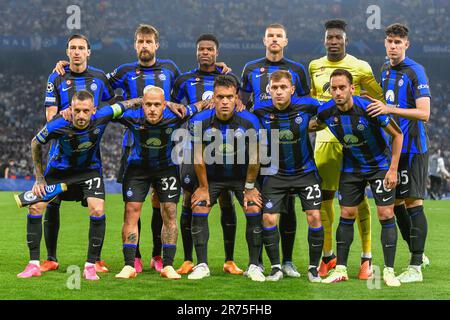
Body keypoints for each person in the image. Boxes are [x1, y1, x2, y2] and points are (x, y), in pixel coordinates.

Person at [17, 91, 141, 280]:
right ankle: (33, 264)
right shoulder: (58, 124)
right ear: (70, 110)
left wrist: (148, 100)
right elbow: (35, 142)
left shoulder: (104, 114)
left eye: (85, 111)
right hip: (59, 172)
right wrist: (39, 177)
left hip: (88, 171)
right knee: (35, 208)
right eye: (77, 111)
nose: (81, 116)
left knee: (98, 210)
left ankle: (90, 266)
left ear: (93, 110)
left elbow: (127, 104)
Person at [312, 69, 403, 287]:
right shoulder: (326, 111)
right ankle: (341, 268)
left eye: (342, 87)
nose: (337, 92)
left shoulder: (369, 109)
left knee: (385, 212)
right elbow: (314, 124)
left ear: (352, 88)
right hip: (352, 168)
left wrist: (392, 169)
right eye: (333, 88)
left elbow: (397, 134)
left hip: (378, 166)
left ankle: (389, 271)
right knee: (346, 212)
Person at [309, 19, 384, 279]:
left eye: (337, 37)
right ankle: (328, 257)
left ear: (345, 40)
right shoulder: (315, 66)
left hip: (355, 142)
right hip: (325, 142)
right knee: (326, 200)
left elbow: (380, 97)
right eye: (329, 37)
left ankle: (366, 259)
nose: (333, 41)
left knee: (359, 200)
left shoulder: (361, 67)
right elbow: (314, 101)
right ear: (325, 39)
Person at [240, 23, 310, 277]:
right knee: (255, 205)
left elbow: (303, 104)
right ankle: (255, 262)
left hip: (288, 148)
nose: (274, 39)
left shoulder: (297, 70)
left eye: (279, 36)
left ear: (286, 40)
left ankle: (288, 261)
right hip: (259, 147)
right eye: (270, 36)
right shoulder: (250, 68)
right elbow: (241, 102)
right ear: (264, 40)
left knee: (288, 206)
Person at [42, 34, 115, 273]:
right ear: (67, 52)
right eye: (72, 48)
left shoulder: (99, 77)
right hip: (61, 155)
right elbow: (49, 117)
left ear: (88, 52)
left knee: (97, 206)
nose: (76, 52)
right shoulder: (57, 76)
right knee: (52, 204)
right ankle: (51, 258)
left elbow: (112, 105)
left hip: (89, 156)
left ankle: (96, 259)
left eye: (81, 48)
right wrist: (62, 115)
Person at [114, 86, 204, 279]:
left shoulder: (176, 115)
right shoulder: (132, 116)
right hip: (138, 168)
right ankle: (129, 265)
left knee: (170, 212)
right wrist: (136, 101)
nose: (152, 109)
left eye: (157, 104)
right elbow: (108, 109)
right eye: (148, 104)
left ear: (164, 105)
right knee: (131, 211)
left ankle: (168, 265)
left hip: (166, 168)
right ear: (142, 104)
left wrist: (209, 101)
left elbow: (199, 105)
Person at [173, 34, 244, 276]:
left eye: (210, 49)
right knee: (188, 198)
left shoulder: (229, 78)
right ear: (196, 52)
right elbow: (175, 110)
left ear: (217, 52)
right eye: (201, 49)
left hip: (226, 147)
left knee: (226, 198)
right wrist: (195, 108)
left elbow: (242, 107)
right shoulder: (184, 80)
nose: (205, 52)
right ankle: (187, 259)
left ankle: (229, 260)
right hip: (195, 146)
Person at [367, 23, 432, 282]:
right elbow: (383, 104)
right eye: (390, 42)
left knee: (414, 202)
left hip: (414, 148)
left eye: (398, 42)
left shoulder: (416, 71)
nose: (393, 46)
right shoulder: (384, 69)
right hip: (392, 148)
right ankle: (419, 254)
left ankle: (416, 266)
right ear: (385, 43)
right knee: (393, 205)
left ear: (407, 44)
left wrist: (389, 109)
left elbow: (424, 113)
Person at [186, 75, 265, 281]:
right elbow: (198, 158)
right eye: (220, 97)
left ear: (236, 97)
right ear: (214, 98)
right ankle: (202, 264)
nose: (224, 102)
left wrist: (249, 187)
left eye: (229, 97)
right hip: (211, 177)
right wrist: (203, 187)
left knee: (254, 207)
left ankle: (255, 266)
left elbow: (256, 159)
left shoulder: (250, 120)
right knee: (199, 205)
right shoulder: (199, 120)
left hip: (241, 177)